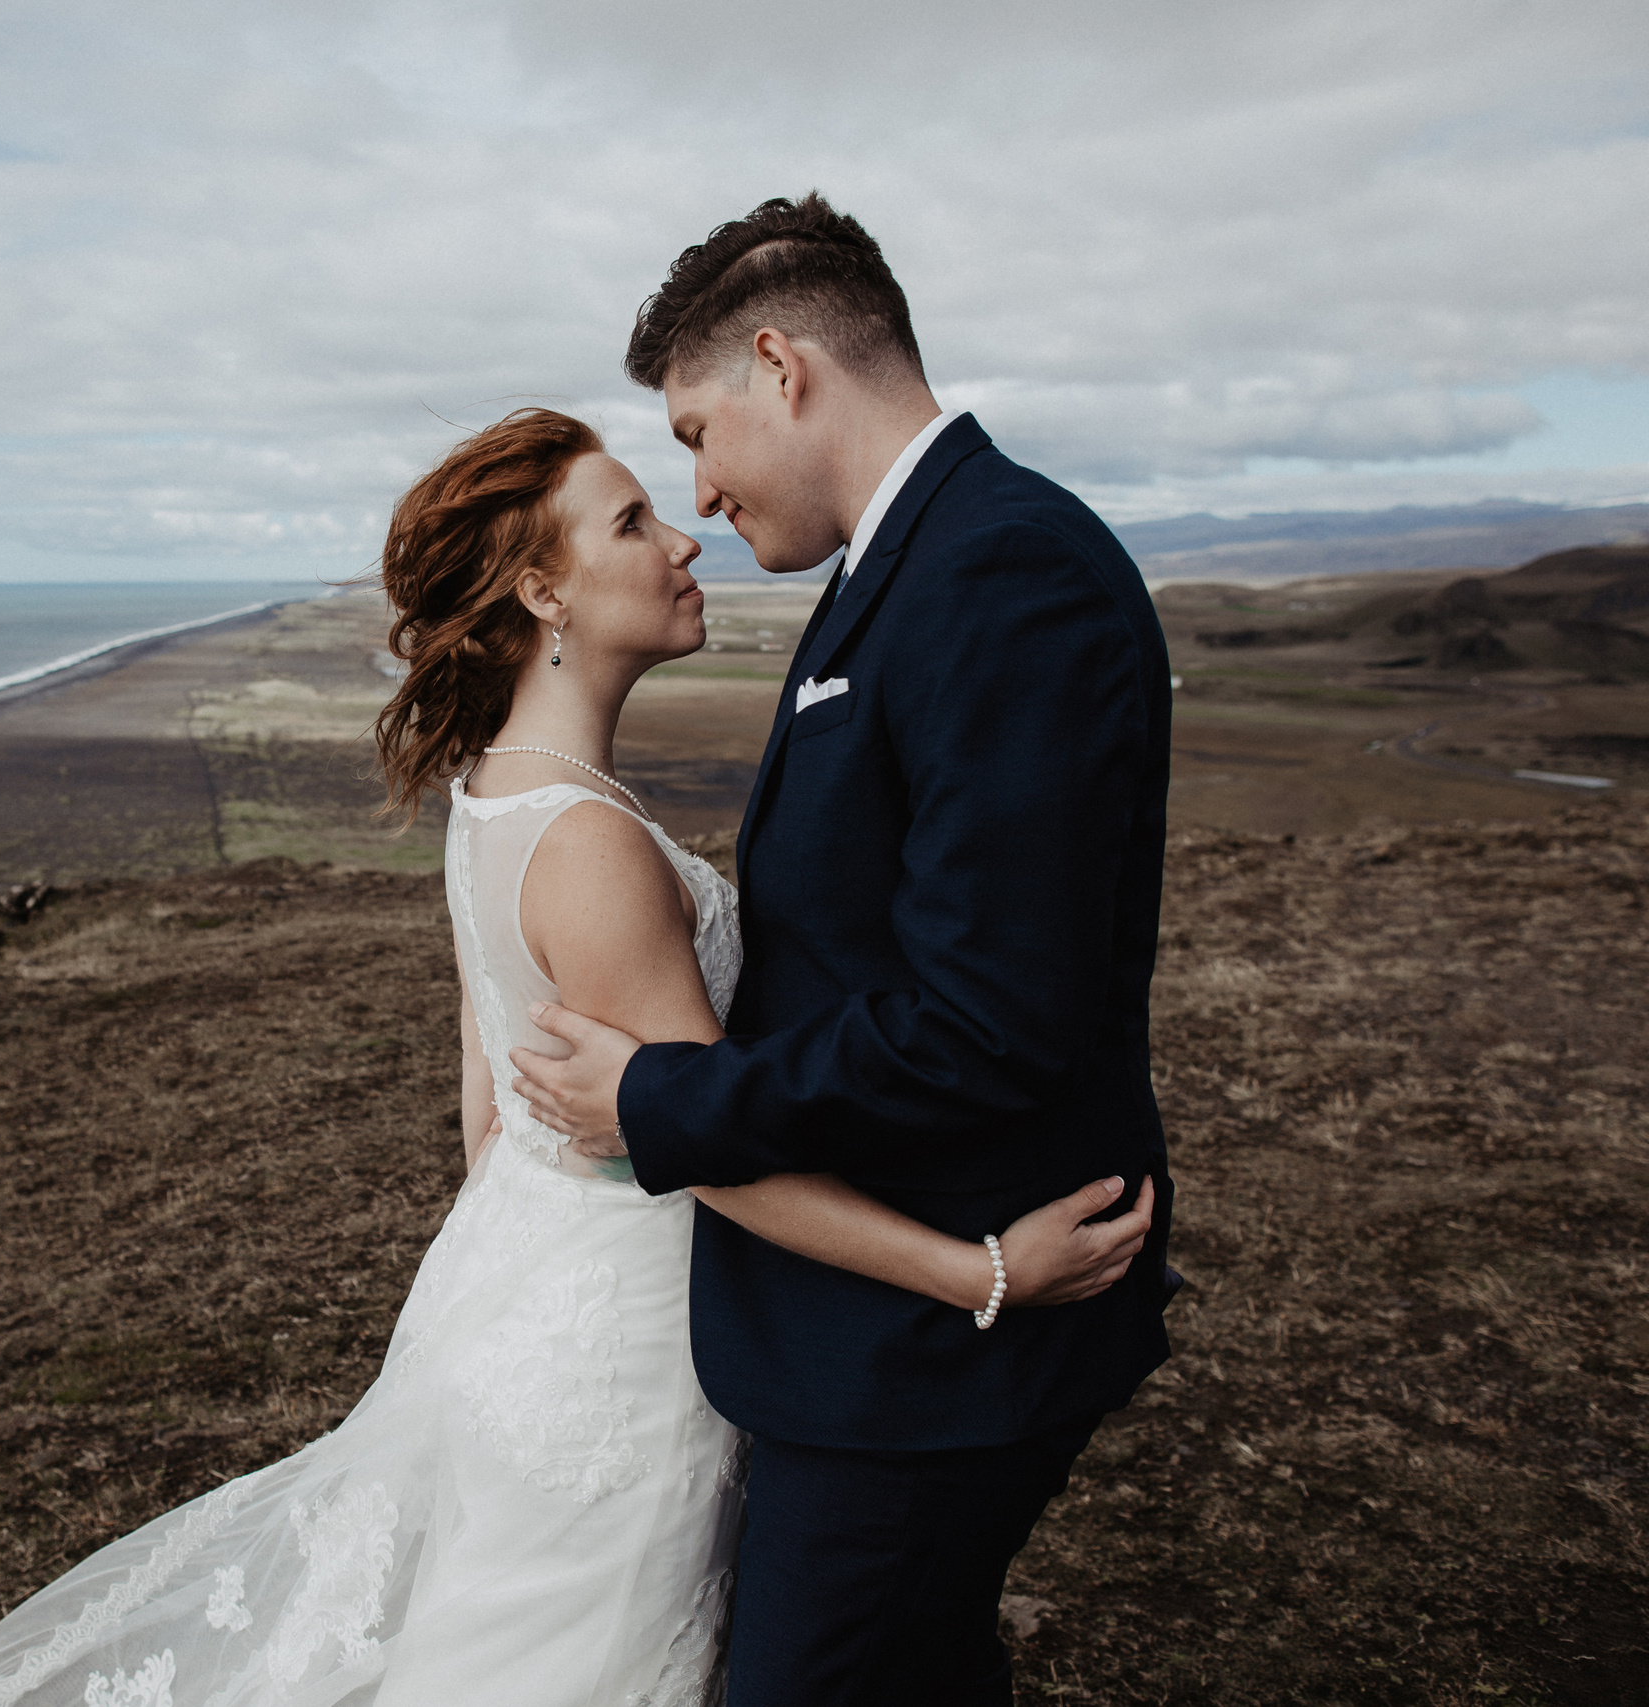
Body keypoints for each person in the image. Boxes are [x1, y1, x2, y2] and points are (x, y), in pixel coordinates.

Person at [0, 405, 1151, 1707]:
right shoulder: (590, 844)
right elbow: (707, 1146)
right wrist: (981, 1271)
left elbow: (489, 1104)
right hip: (617, 1344)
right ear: (545, 593)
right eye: (632, 522)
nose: (686, 539)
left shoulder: (494, 791)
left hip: (520, 1289)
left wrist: (505, 1288)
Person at [508, 193, 1178, 1707]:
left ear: (781, 365)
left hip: (944, 1354)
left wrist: (662, 1100)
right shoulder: (902, 567)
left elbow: (989, 1020)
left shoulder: (1003, 572)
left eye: (697, 432)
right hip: (874, 1329)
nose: (700, 487)